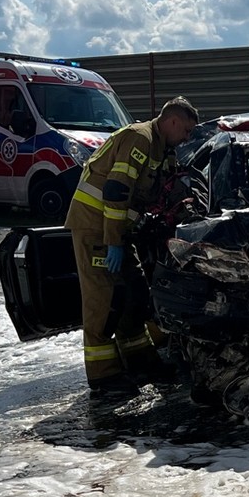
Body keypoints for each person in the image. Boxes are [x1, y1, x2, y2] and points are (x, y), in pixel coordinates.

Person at [63, 96, 200, 390]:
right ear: (173, 122)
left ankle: (142, 363)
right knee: (104, 302)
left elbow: (170, 190)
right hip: (95, 227)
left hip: (120, 230)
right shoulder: (139, 139)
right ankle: (104, 377)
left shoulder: (164, 149)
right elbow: (115, 192)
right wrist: (113, 241)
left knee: (134, 297)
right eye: (186, 131)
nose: (187, 137)